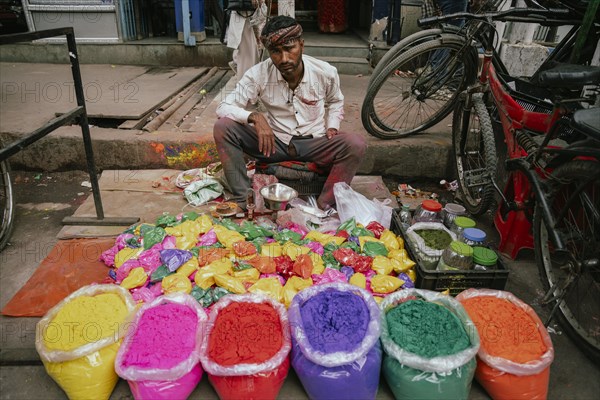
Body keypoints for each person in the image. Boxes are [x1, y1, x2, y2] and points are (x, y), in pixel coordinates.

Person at [213, 15, 367, 211]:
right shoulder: (258, 74)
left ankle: (324, 206)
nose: (284, 58)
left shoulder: (325, 72)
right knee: (223, 127)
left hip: (315, 142)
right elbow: (223, 107)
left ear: (301, 45)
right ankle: (243, 199)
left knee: (356, 144)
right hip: (274, 144)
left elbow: (336, 101)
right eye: (276, 51)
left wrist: (332, 125)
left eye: (289, 49)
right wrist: (255, 117)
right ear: (268, 52)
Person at [224, 0, 268, 81]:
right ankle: (246, 82)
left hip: (255, 13)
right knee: (248, 52)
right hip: (244, 14)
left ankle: (238, 64)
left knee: (257, 49)